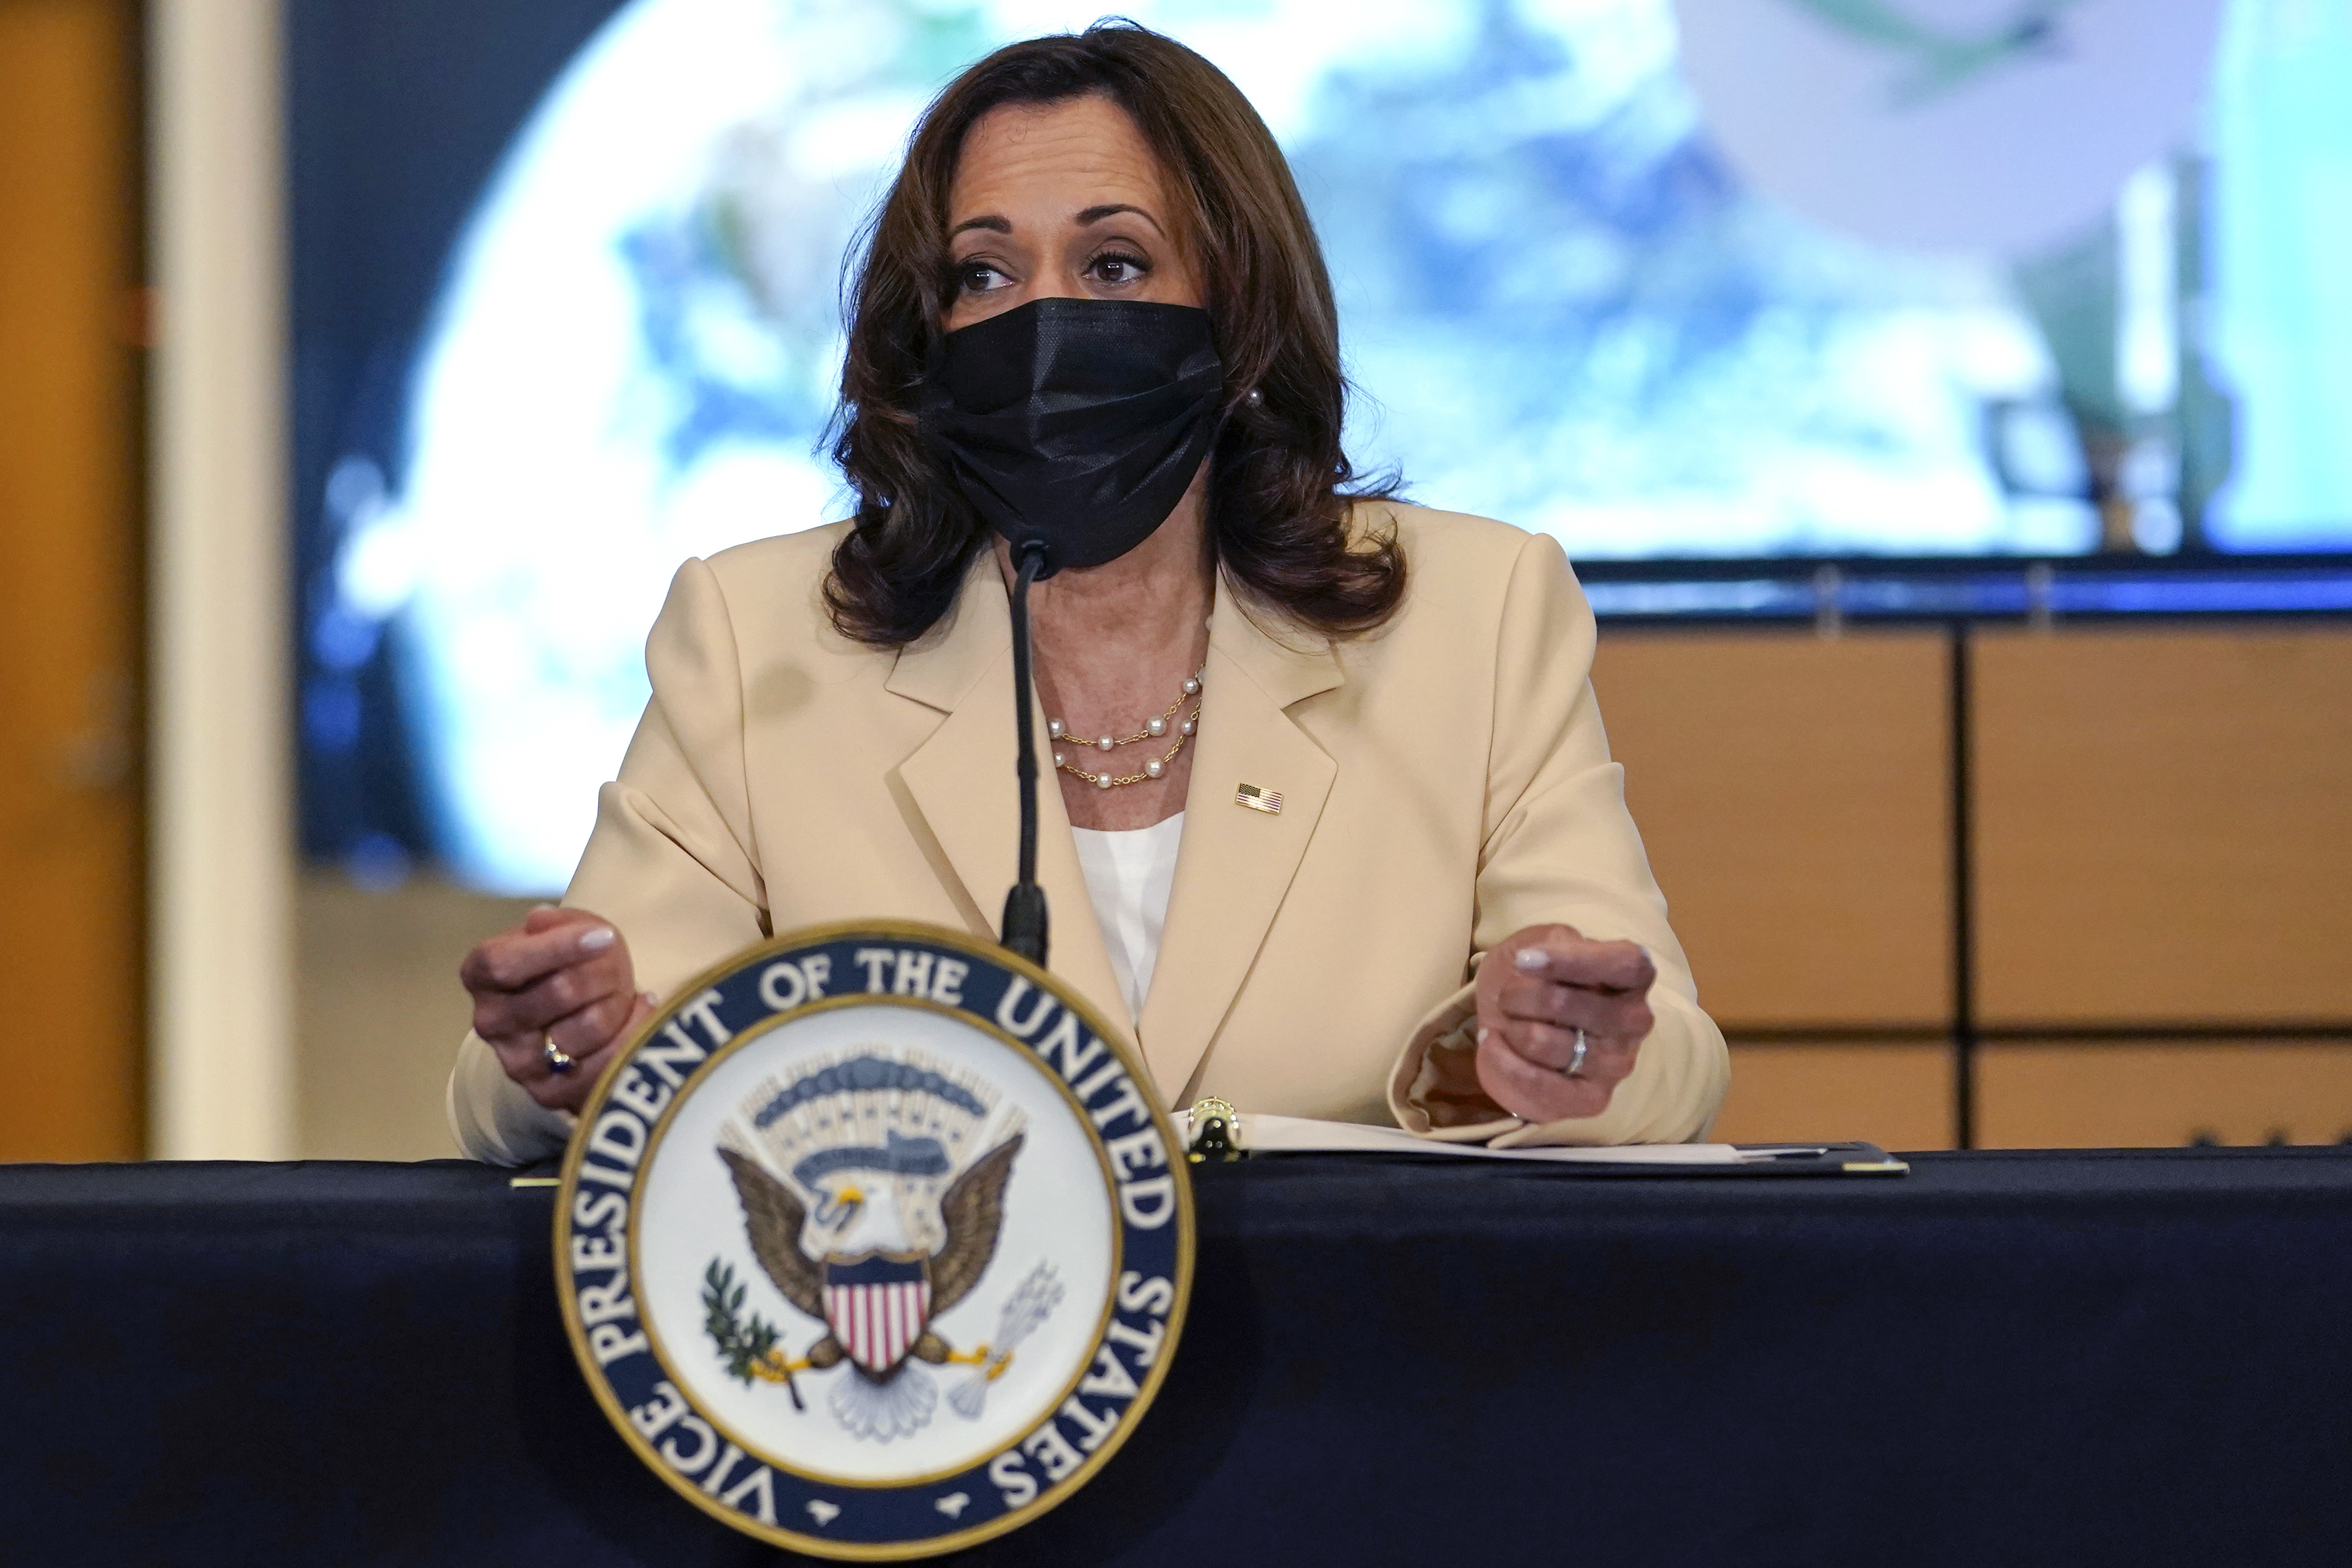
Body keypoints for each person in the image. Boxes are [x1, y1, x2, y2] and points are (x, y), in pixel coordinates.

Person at [449, 21, 1728, 1166]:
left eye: (1115, 266)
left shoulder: (1474, 613)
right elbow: (532, 1077)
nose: (1045, 322)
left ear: (1240, 313)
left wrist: (1553, 1052)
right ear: (927, 328)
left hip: (1365, 1373)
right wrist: (587, 1053)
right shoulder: (759, 642)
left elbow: (1669, 1055)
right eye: (986, 277)